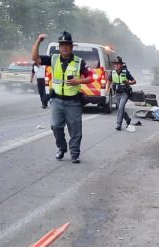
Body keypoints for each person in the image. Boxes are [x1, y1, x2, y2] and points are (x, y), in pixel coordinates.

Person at [31, 31, 93, 163]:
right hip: (57, 101)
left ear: (71, 47)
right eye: (62, 45)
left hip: (73, 102)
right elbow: (35, 58)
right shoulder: (53, 59)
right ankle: (61, 148)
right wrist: (38, 41)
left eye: (67, 45)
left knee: (75, 130)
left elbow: (91, 77)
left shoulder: (79, 62)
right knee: (55, 126)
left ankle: (75, 154)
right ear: (59, 47)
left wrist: (78, 82)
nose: (64, 47)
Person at [108, 56, 136, 131]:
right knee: (120, 109)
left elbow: (134, 81)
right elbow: (109, 81)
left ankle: (118, 124)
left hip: (125, 93)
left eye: (118, 64)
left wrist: (128, 82)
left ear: (121, 65)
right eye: (115, 64)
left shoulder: (126, 72)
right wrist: (108, 89)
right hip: (117, 93)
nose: (116, 65)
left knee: (120, 107)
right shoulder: (112, 72)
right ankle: (128, 119)